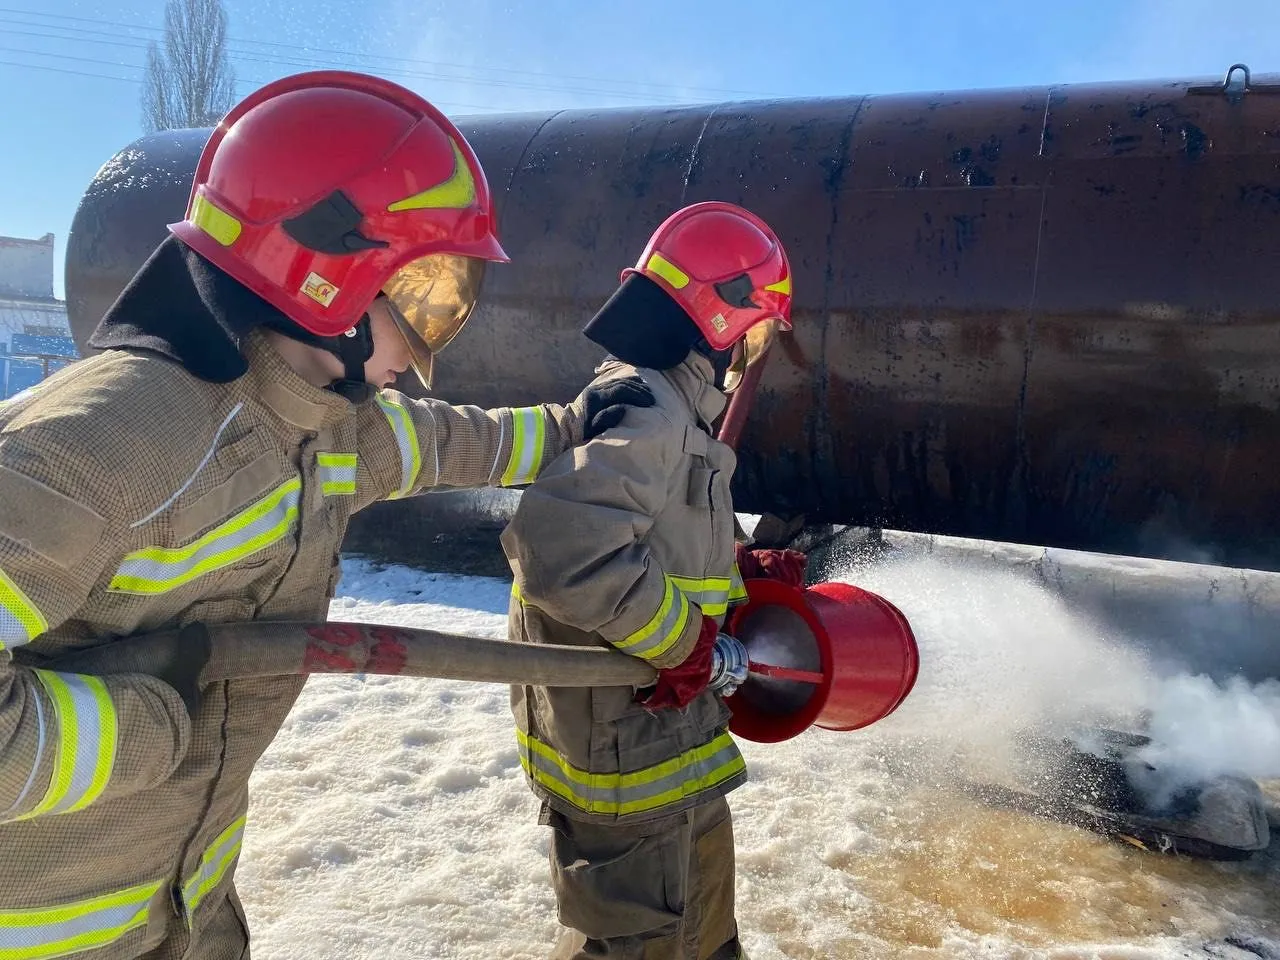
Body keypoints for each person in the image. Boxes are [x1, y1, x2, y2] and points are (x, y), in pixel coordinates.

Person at [0, 70, 654, 960]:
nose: (431, 335)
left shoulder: (322, 424)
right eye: (425, 293)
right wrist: (147, 734)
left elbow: (457, 441)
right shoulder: (112, 439)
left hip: (187, 911)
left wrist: (576, 427)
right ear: (328, 274)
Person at [501, 201, 807, 960]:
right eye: (756, 332)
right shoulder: (652, 408)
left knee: (702, 936)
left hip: (664, 747)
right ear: (724, 316)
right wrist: (684, 644)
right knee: (647, 941)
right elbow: (565, 551)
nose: (750, 355)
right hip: (629, 761)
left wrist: (736, 568)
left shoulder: (670, 407)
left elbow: (654, 537)